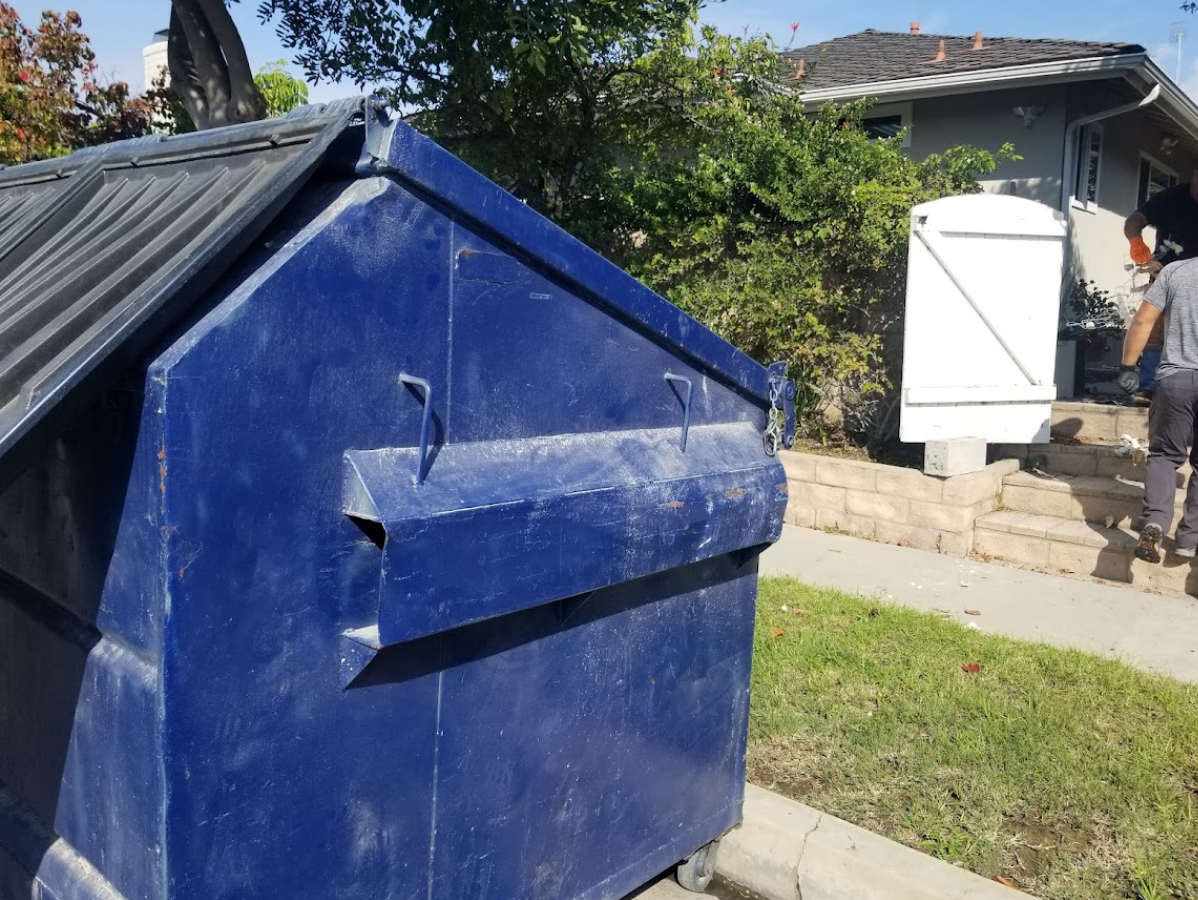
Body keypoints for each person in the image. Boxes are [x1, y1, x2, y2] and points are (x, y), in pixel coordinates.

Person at [1118, 256, 1198, 563]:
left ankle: (1155, 522)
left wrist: (1128, 366)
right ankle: (1189, 539)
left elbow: (1143, 320)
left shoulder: (1176, 271)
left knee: (1165, 456)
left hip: (1175, 379)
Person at [1124, 171, 1198, 404]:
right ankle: (1148, 386)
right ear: (1194, 177)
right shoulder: (1171, 198)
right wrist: (1135, 240)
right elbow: (1134, 220)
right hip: (1165, 272)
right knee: (1153, 326)